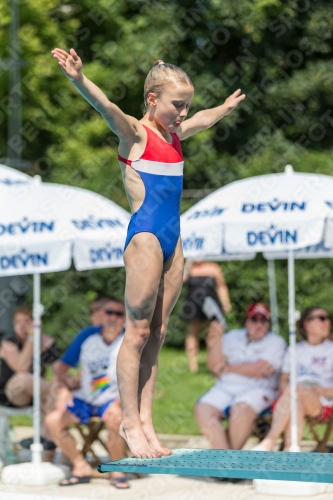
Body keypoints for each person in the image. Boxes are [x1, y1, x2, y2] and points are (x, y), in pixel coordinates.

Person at [51, 46, 245, 458]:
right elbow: (106, 107)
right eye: (177, 105)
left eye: (186, 105)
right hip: (146, 239)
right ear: (153, 100)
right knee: (136, 332)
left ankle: (148, 424)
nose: (183, 112)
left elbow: (202, 120)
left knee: (157, 333)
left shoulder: (175, 134)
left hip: (175, 239)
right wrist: (79, 79)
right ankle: (129, 421)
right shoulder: (136, 135)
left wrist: (224, 108)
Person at [45, 297, 129, 489]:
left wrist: (119, 403)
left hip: (114, 399)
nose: (113, 317)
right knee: (53, 420)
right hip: (86, 398)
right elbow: (61, 370)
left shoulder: (131, 340)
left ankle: (116, 470)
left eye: (119, 313)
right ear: (101, 314)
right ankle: (80, 465)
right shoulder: (87, 337)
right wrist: (64, 389)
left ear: (125, 318)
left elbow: (143, 377)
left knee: (115, 419)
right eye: (109, 312)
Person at [195, 303, 286, 450]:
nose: (259, 324)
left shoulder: (276, 341)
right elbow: (214, 367)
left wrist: (227, 367)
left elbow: (261, 370)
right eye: (254, 319)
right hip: (226, 387)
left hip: (258, 388)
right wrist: (217, 339)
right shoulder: (231, 337)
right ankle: (226, 459)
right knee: (203, 409)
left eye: (264, 320)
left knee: (241, 409)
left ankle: (227, 462)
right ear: (246, 321)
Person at [254, 307, 333, 452]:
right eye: (321, 318)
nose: (327, 322)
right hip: (293, 397)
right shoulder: (295, 349)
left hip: (321, 400)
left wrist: (324, 390)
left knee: (294, 390)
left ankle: (269, 441)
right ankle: (292, 451)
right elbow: (283, 381)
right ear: (307, 324)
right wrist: (289, 391)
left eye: (327, 318)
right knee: (297, 403)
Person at [0, 306, 59, 451]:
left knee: (58, 385)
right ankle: (47, 437)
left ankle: (46, 439)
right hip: (11, 395)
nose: (21, 325)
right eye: (17, 321)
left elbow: (60, 370)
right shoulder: (9, 342)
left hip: (38, 396)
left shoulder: (45, 341)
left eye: (26, 321)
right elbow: (21, 367)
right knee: (23, 378)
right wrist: (31, 339)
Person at [182, 260, 232, 372]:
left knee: (213, 332)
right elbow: (181, 281)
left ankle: (213, 360)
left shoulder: (214, 267)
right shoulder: (190, 269)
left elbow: (221, 286)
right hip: (193, 304)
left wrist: (226, 302)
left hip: (211, 303)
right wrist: (187, 265)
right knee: (192, 332)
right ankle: (193, 364)